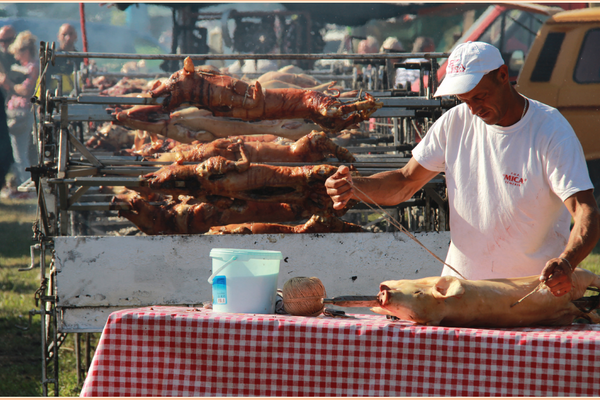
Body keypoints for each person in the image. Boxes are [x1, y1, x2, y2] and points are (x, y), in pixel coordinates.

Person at [325, 41, 600, 297]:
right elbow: (404, 181)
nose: (473, 109)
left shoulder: (550, 129)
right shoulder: (454, 122)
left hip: (531, 293)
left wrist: (567, 262)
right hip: (460, 290)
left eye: (480, 96)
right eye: (465, 100)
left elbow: (584, 209)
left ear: (503, 75)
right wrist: (354, 187)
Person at [0, 30, 39, 186]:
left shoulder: (32, 66)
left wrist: (8, 84)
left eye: (18, 52)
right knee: (19, 153)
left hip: (22, 113)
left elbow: (26, 91)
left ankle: (26, 187)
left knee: (20, 155)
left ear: (26, 50)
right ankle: (21, 185)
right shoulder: (21, 66)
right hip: (15, 112)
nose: (15, 56)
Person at [46, 23, 80, 93]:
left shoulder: (81, 58)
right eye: (64, 35)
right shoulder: (52, 59)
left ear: (76, 36)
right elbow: (44, 82)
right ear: (58, 37)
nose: (68, 38)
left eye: (70, 34)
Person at [0, 25, 26, 97]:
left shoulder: (22, 56)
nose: (3, 44)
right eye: (1, 41)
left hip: (18, 96)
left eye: (7, 41)